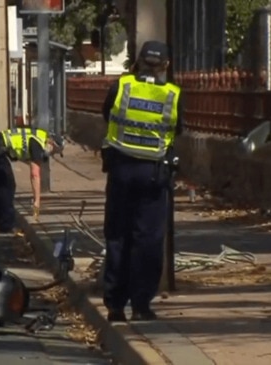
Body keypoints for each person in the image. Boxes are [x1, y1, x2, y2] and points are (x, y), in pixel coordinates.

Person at [100, 40, 184, 322]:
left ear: (136, 63)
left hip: (121, 170)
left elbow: (106, 115)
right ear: (165, 66)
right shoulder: (172, 95)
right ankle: (141, 306)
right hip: (153, 175)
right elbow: (178, 129)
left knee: (118, 236)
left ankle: (115, 306)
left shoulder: (121, 86)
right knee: (148, 240)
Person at [0, 127, 65, 234]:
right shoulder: (37, 143)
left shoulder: (37, 137)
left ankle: (1, 225)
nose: (52, 154)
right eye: (54, 150)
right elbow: (35, 174)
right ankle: (6, 225)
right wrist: (37, 201)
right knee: (6, 187)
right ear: (50, 142)